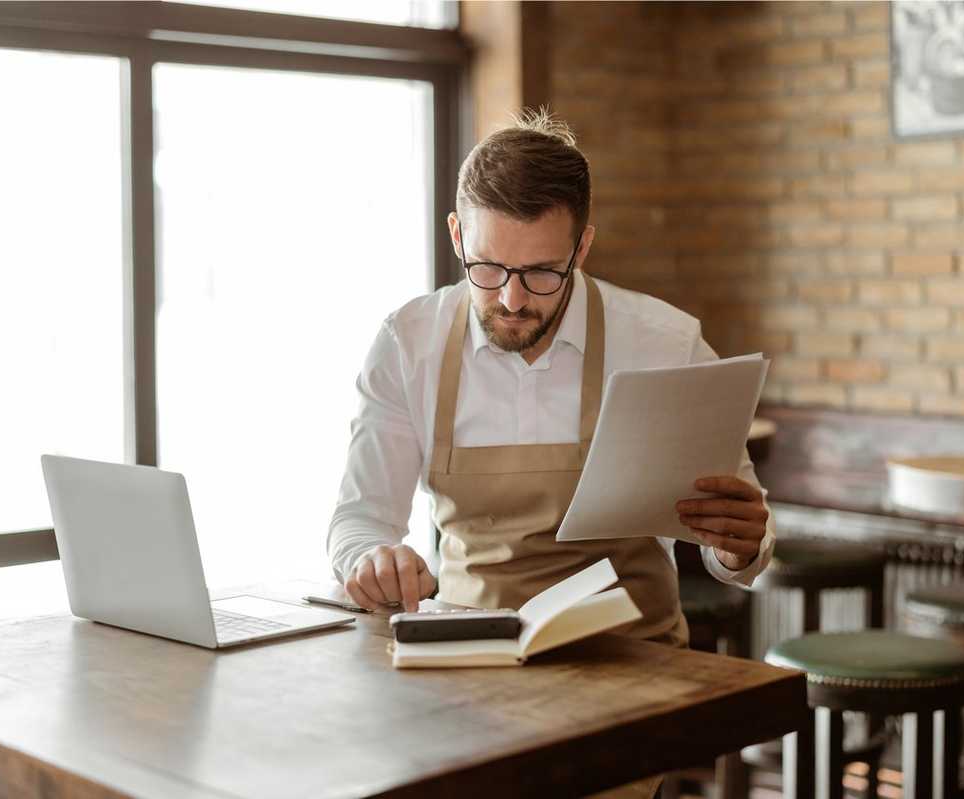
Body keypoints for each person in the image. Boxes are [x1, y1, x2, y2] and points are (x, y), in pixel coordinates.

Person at [328, 109, 776, 650]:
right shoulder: (408, 343)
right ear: (457, 236)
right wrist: (372, 559)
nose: (512, 301)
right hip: (471, 657)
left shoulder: (666, 344)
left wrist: (739, 548)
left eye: (541, 272)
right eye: (488, 269)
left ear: (581, 248)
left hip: (638, 661)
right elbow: (360, 520)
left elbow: (740, 543)